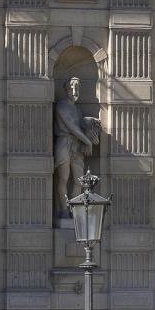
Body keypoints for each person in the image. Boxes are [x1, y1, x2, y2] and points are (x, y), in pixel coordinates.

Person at [53, 75, 100, 219]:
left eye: (78, 88)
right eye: (73, 88)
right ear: (67, 90)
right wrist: (87, 141)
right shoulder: (61, 106)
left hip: (77, 146)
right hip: (64, 143)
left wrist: (93, 137)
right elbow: (72, 128)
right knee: (64, 178)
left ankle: (75, 211)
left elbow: (82, 130)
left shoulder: (79, 112)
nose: (75, 92)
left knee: (79, 180)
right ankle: (63, 210)